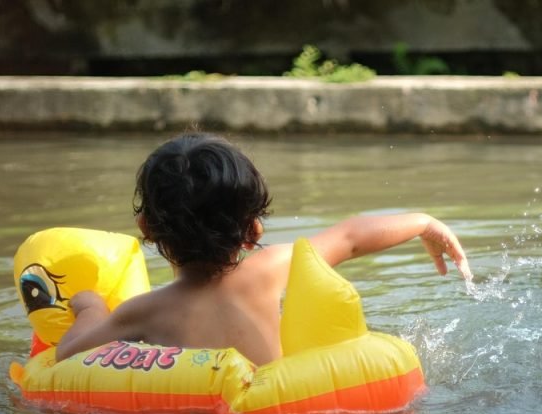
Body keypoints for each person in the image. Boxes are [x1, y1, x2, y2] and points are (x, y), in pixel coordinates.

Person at [55, 132, 472, 366]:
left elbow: (68, 355)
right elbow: (351, 236)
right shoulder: (271, 268)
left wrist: (90, 306)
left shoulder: (144, 311)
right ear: (254, 229)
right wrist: (423, 222)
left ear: (145, 227)